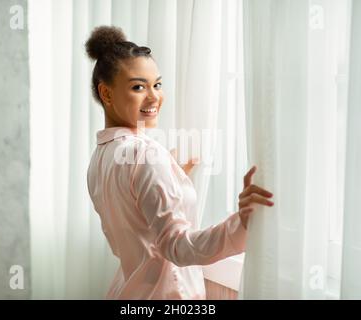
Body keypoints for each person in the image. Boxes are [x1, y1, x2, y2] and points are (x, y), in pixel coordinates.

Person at [86, 25, 274, 299]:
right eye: (138, 86)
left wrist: (172, 173)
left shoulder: (100, 157)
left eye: (157, 84)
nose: (154, 97)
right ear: (107, 94)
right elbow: (177, 246)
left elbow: (136, 216)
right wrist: (242, 224)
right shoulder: (145, 155)